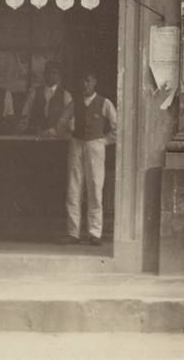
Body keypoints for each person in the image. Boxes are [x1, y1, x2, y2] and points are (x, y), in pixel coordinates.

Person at [64, 72, 116, 246]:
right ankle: (73, 233)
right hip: (76, 144)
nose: (84, 84)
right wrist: (69, 134)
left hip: (95, 146)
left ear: (95, 82)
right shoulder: (74, 103)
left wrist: (103, 141)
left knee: (95, 187)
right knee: (74, 188)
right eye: (82, 81)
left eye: (88, 81)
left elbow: (117, 127)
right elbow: (61, 123)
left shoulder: (104, 102)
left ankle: (95, 233)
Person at [18, 60, 72, 137]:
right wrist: (23, 130)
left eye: (54, 73)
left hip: (57, 139)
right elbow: (25, 115)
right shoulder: (34, 93)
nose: (51, 75)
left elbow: (69, 120)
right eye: (48, 72)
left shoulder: (66, 95)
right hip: (36, 137)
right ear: (44, 74)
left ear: (59, 75)